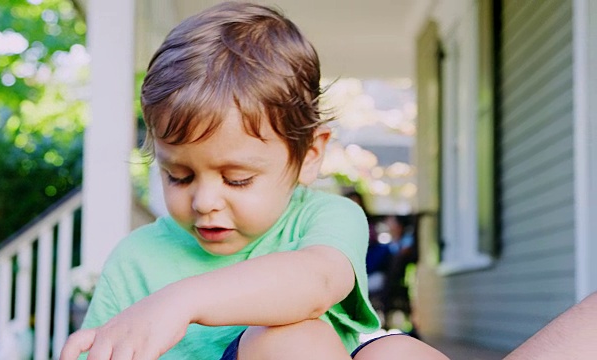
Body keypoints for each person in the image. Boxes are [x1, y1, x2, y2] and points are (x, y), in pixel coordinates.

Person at [60, 2, 597, 360]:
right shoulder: (138, 259)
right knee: (288, 342)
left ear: (310, 154)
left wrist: (180, 301)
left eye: (238, 178)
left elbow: (316, 282)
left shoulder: (323, 219)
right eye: (178, 174)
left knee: (393, 350)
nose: (205, 200)